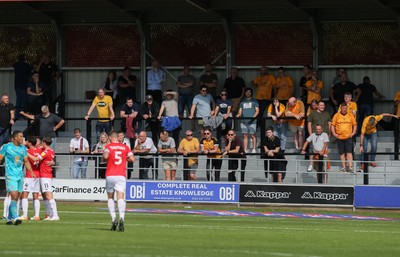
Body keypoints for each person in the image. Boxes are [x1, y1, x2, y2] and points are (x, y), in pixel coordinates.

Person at [102, 131, 135, 232]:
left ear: (111, 138)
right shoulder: (125, 147)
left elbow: (106, 157)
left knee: (110, 197)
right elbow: (132, 159)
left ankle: (113, 219)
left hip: (110, 174)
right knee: (120, 197)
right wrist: (125, 159)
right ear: (117, 138)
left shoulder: (108, 146)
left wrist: (105, 154)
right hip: (121, 175)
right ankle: (122, 218)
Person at [0, 130, 34, 225]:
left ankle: (9, 219)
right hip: (10, 175)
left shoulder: (23, 148)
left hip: (20, 176)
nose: (22, 138)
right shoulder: (6, 147)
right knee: (14, 195)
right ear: (15, 137)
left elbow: (26, 161)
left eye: (22, 136)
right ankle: (15, 217)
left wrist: (31, 171)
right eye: (20, 136)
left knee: (16, 198)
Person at [20, 137, 47, 221]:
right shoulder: (39, 150)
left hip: (29, 175)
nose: (26, 142)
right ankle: (37, 216)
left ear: (30, 143)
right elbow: (43, 146)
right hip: (38, 175)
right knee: (35, 196)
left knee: (25, 195)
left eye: (27, 141)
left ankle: (24, 215)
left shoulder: (27, 151)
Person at [37, 137, 60, 221]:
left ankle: (55, 215)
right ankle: (50, 215)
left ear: (44, 143)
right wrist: (52, 162)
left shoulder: (45, 152)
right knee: (46, 195)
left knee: (48, 195)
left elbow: (37, 159)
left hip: (45, 175)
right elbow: (53, 161)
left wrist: (26, 154)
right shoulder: (51, 151)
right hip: (47, 175)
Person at [331, 103, 357, 173]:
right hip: (340, 137)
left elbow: (354, 124)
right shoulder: (336, 115)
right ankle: (344, 167)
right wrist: (334, 133)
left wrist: (353, 133)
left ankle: (350, 167)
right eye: (343, 108)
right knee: (342, 153)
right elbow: (332, 125)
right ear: (341, 108)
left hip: (348, 137)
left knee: (349, 152)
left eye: (345, 108)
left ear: (347, 108)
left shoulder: (350, 115)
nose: (344, 109)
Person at [236, 87, 259, 153]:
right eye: (247, 92)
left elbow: (257, 111)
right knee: (245, 135)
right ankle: (245, 149)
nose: (248, 93)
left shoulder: (254, 101)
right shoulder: (242, 102)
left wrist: (253, 117)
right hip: (244, 121)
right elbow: (240, 111)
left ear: (251, 93)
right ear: (245, 93)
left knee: (253, 135)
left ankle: (254, 149)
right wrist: (238, 115)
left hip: (252, 121)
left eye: (249, 92)